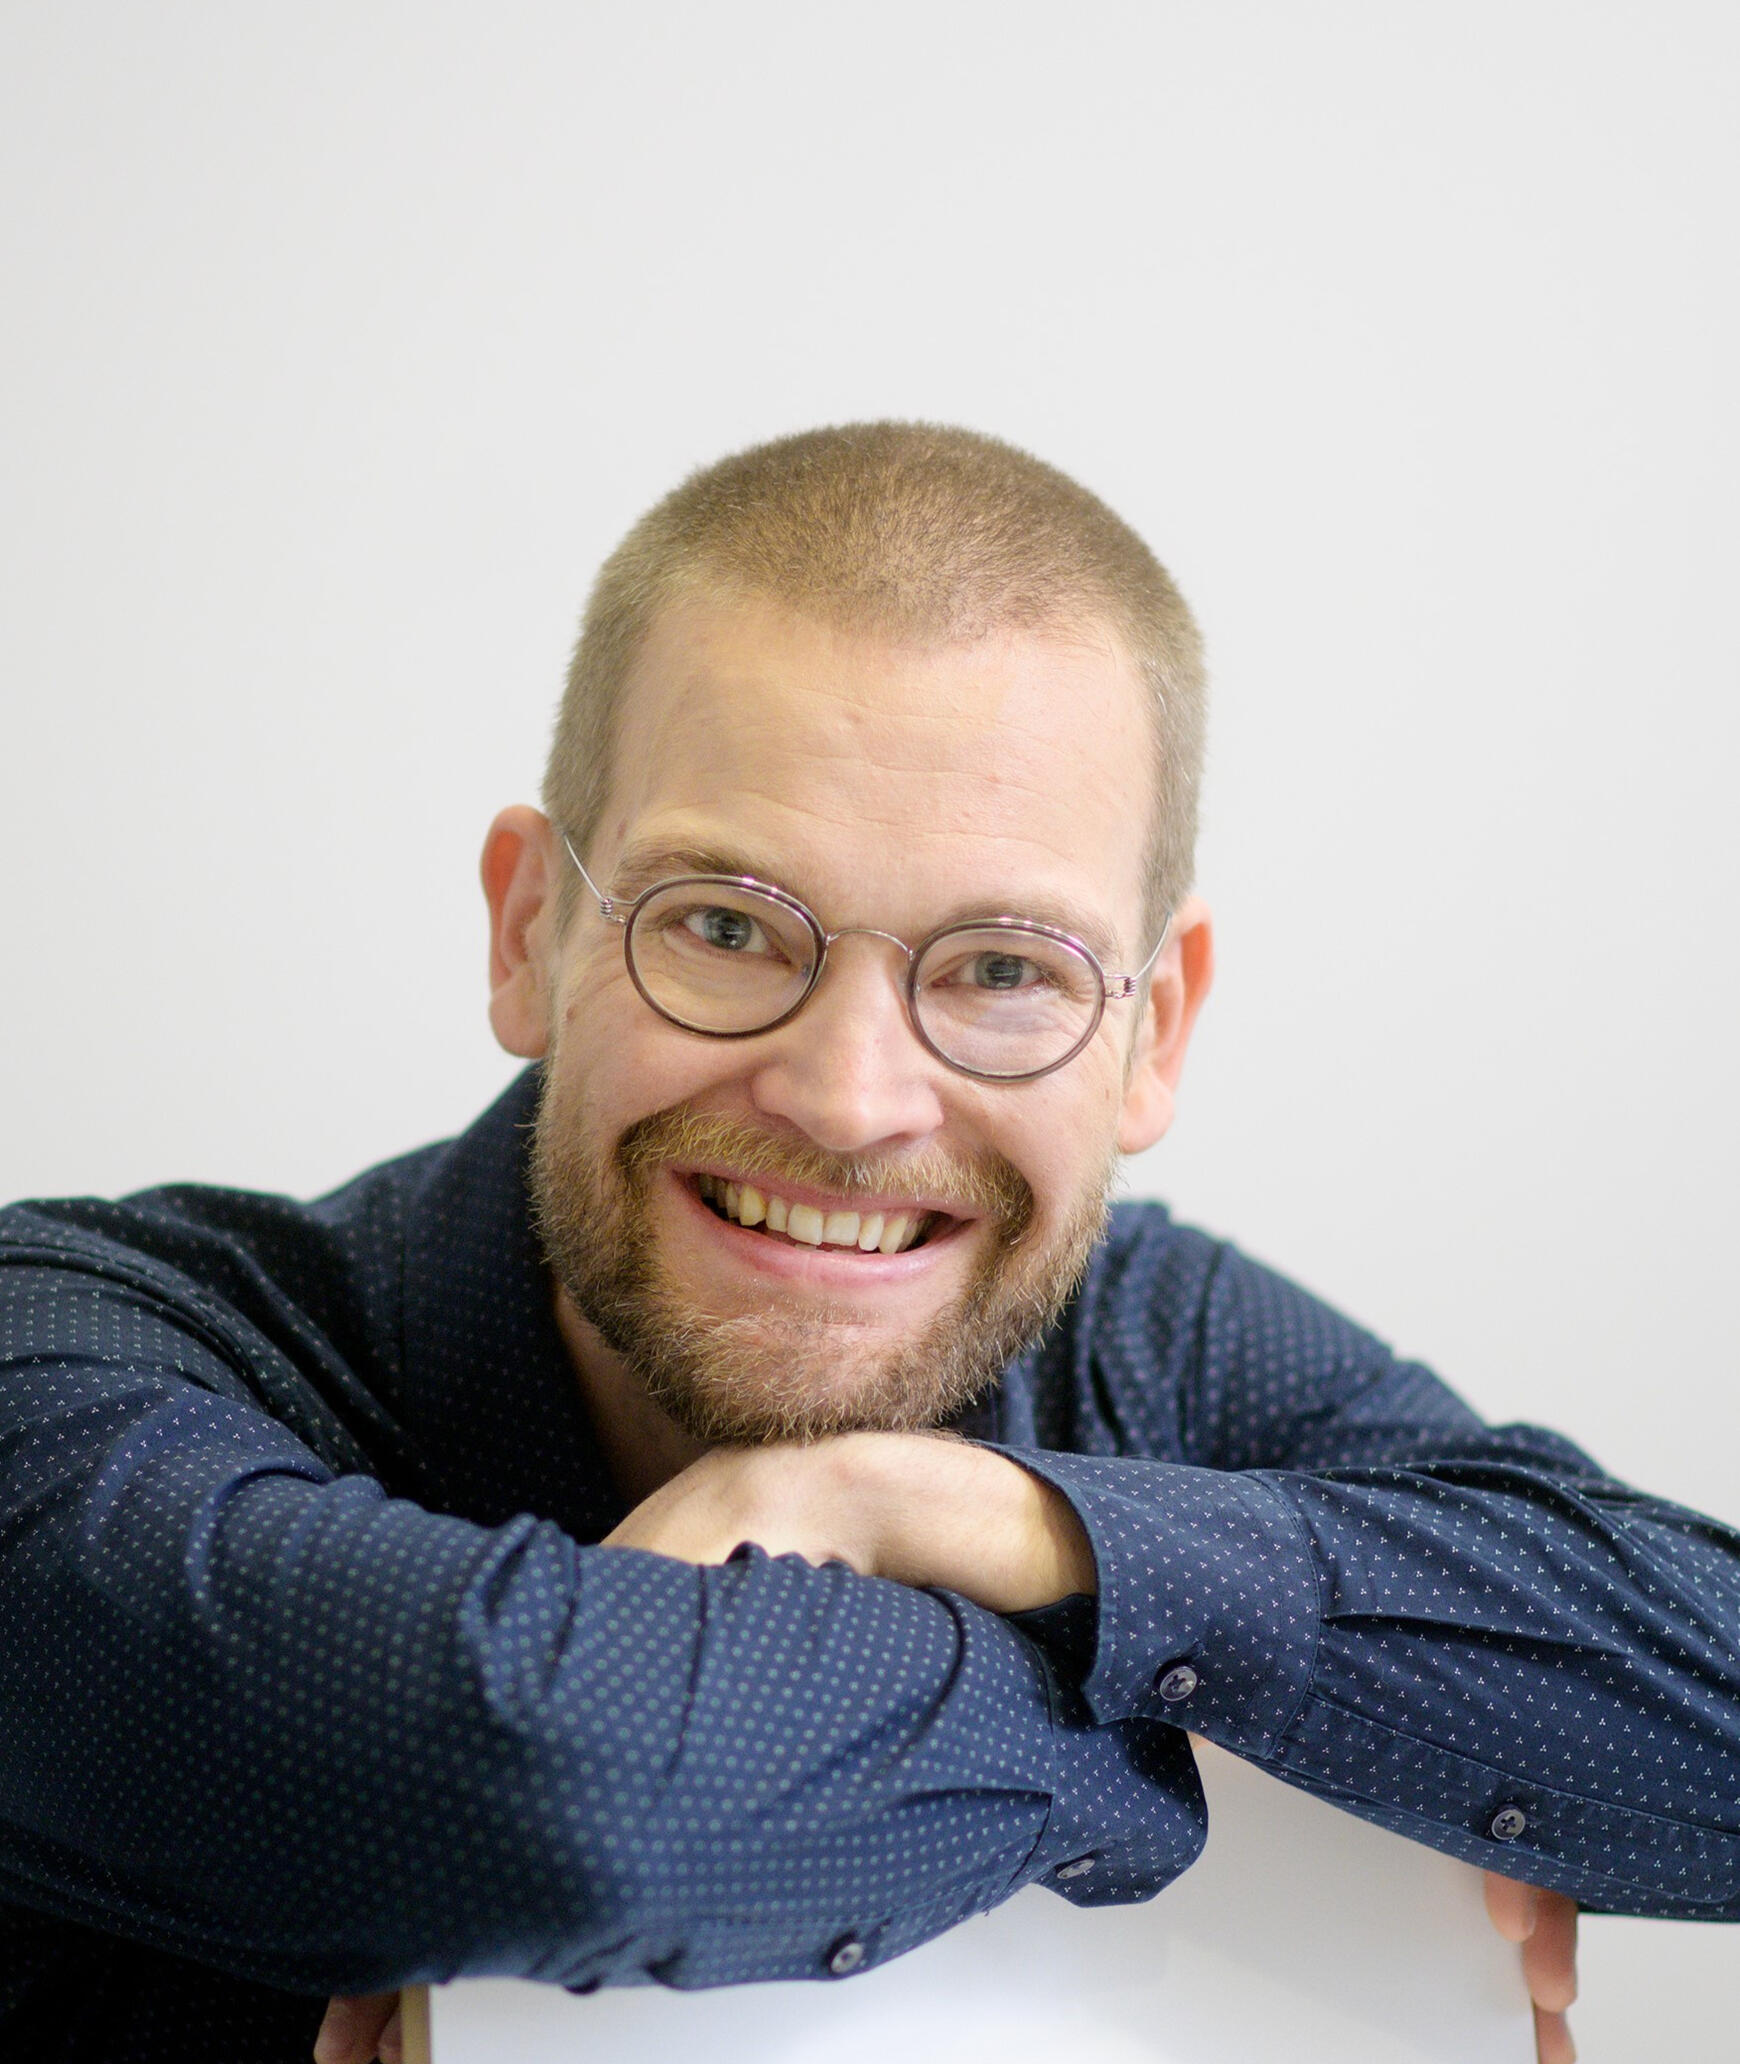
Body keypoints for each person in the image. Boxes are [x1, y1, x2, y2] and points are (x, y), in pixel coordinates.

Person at [1, 424, 1730, 2064]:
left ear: (1156, 1032)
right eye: (729, 926)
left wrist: (981, 1520)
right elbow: (562, 1780)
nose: (846, 1099)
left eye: (1002, 971)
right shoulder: (70, 1365)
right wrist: (1220, 1737)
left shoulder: (1149, 1340)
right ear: (530, 930)